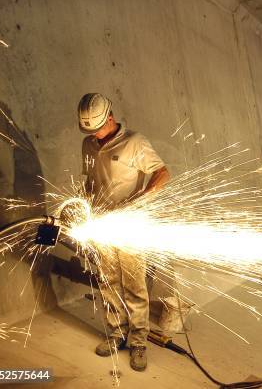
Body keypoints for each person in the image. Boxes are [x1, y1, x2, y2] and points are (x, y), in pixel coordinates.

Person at [78, 93, 170, 371]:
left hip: (131, 226)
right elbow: (89, 181)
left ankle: (139, 340)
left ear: (110, 117)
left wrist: (139, 201)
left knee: (134, 286)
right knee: (108, 282)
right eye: (89, 131)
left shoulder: (134, 142)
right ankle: (117, 332)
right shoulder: (88, 144)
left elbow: (163, 173)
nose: (94, 135)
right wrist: (83, 208)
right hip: (102, 224)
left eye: (97, 129)